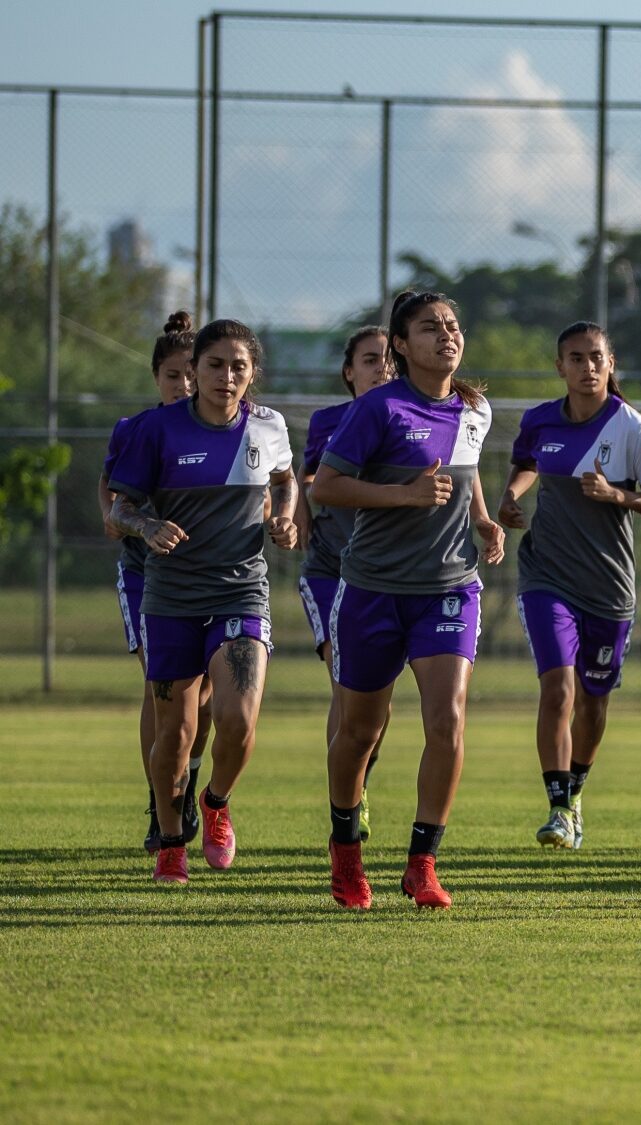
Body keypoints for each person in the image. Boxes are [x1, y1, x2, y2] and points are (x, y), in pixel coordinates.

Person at [312, 290, 505, 910]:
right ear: (400, 344)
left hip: (449, 588)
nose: (446, 335)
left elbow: (462, 476)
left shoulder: (476, 408)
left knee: (447, 719)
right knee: (359, 730)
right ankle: (346, 852)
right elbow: (327, 487)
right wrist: (404, 495)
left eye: (452, 325)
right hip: (372, 589)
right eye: (429, 327)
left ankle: (423, 863)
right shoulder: (379, 408)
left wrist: (481, 520)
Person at [107, 318, 299, 884]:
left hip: (241, 590)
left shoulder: (268, 428)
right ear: (196, 372)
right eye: (215, 364)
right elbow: (119, 511)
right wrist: (146, 526)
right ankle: (171, 842)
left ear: (252, 373)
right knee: (177, 733)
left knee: (238, 720)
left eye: (239, 366)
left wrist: (285, 516)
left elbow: (287, 479)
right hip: (171, 601)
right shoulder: (157, 430)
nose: (227, 375)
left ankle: (215, 802)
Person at [498, 321, 641, 851]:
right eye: (575, 358)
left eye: (596, 357)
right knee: (559, 688)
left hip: (609, 588)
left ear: (610, 364)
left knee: (593, 702)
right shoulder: (540, 421)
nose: (587, 367)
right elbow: (525, 463)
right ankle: (556, 805)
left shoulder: (637, 429)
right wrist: (511, 495)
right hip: (546, 576)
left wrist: (617, 497)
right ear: (560, 366)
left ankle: (575, 794)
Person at [100, 311, 213, 854]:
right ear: (156, 378)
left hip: (212, 580)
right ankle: (160, 800)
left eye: (193, 373)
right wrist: (123, 520)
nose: (184, 384)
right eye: (174, 375)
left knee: (207, 695)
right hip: (148, 576)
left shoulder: (227, 427)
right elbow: (112, 492)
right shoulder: (136, 429)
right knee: (162, 685)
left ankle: (187, 780)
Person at [296, 325, 396, 843]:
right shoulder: (330, 421)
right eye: (370, 359)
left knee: (373, 711)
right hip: (332, 571)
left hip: (389, 576)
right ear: (349, 370)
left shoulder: (409, 420)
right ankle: (346, 814)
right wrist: (299, 511)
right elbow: (313, 479)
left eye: (387, 360)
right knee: (345, 683)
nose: (382, 368)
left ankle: (357, 789)